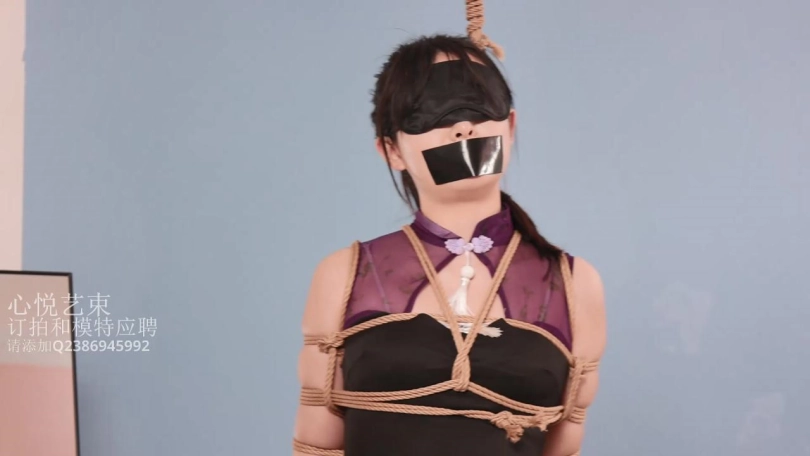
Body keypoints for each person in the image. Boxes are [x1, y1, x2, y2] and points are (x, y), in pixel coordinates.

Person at [291, 22, 606, 456]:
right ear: (391, 150)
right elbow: (315, 446)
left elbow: (563, 448)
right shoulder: (344, 276)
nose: (462, 128)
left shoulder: (573, 284)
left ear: (510, 126)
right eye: (430, 112)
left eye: (479, 106)